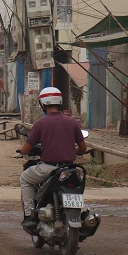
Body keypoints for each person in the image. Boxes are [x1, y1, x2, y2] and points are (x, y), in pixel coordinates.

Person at [18, 87, 87, 231]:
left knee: (25, 178)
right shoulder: (72, 122)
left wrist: (22, 151)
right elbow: (83, 148)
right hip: (70, 168)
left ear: (43, 104)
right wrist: (71, 150)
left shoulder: (40, 124)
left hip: (49, 168)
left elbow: (26, 149)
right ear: (60, 102)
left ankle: (29, 214)